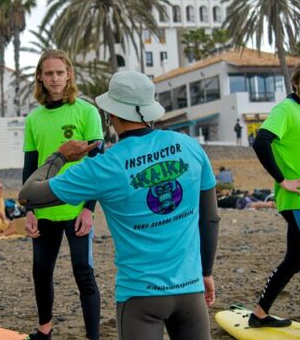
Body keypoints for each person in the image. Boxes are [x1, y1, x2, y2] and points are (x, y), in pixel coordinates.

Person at [19, 70, 220, 340]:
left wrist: (59, 156)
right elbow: (210, 219)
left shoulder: (104, 166)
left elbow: (28, 194)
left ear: (110, 115)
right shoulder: (190, 146)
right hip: (190, 292)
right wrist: (206, 272)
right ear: (149, 111)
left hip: (141, 297)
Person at [23, 50, 104, 340]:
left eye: (60, 72)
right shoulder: (33, 119)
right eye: (49, 73)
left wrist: (89, 209)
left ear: (69, 74)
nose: (55, 78)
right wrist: (29, 210)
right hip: (45, 208)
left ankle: (93, 336)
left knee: (83, 271)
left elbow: (98, 164)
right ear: (41, 78)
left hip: (77, 207)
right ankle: (44, 330)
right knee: (41, 271)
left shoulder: (87, 111)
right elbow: (30, 168)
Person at [250, 58, 300, 328]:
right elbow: (261, 141)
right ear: (295, 84)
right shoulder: (286, 109)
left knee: (295, 259)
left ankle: (259, 313)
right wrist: (283, 180)